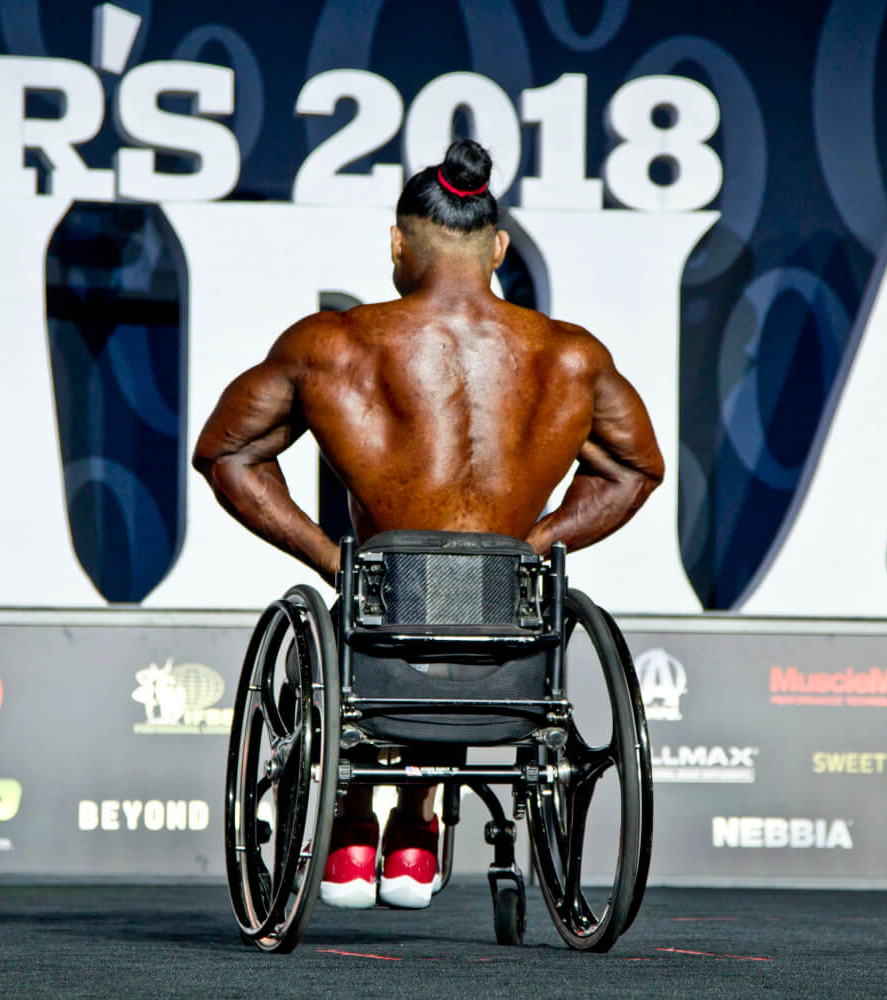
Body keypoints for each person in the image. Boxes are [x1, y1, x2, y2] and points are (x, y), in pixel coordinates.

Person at [193, 139, 664, 910]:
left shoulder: (332, 346)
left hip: (382, 629)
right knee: (462, 600)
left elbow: (225, 453)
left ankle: (351, 827)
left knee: (385, 608)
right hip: (509, 646)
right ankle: (416, 827)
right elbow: (635, 468)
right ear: (499, 248)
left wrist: (332, 560)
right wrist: (533, 546)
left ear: (397, 245)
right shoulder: (571, 357)